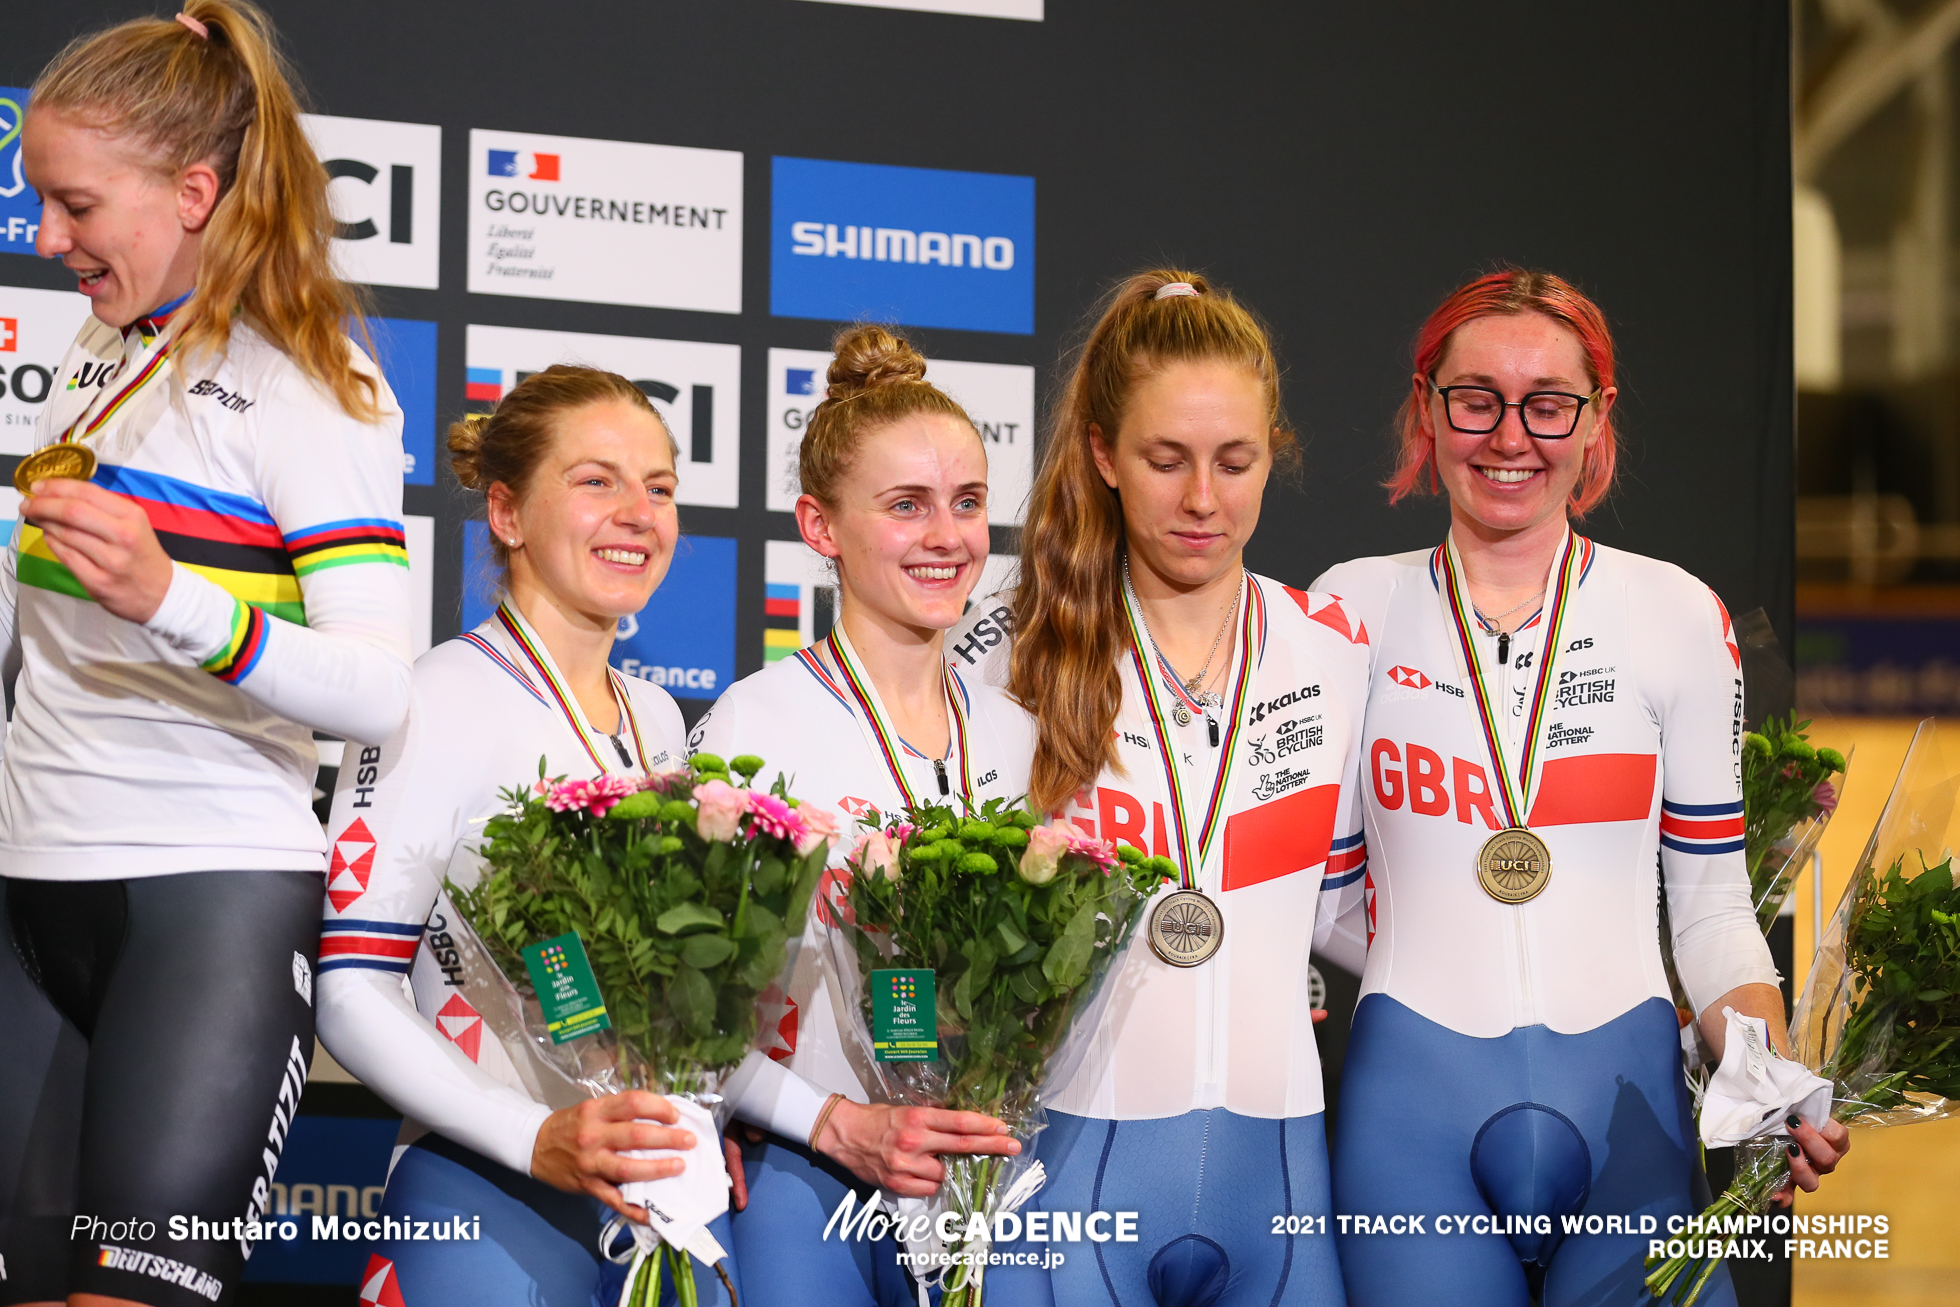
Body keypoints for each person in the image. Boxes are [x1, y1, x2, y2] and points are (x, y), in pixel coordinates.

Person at [1313, 269, 1852, 1307]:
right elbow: (1323, 897)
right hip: (1410, 1116)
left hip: (1625, 1119)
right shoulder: (1348, 607)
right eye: (1474, 397)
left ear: (1596, 417)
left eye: (1547, 403)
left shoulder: (1674, 612)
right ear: (1426, 405)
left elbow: (1710, 903)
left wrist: (1761, 1073)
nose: (1509, 435)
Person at [0, 4, 413, 1303]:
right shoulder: (96, 348)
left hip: (206, 905)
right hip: (28, 886)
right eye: (39, 204)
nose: (45, 237)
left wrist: (178, 596)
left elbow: (375, 688)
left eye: (73, 205)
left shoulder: (311, 383)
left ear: (192, 190)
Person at [963, 270, 1368, 1307]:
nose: (1202, 499)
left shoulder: (1333, 647)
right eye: (1164, 459)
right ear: (1101, 453)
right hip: (1069, 1179)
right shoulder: (1008, 653)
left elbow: (1356, 911)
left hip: (1276, 1187)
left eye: (1235, 461)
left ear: (1272, 450)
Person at [310, 366, 741, 1306]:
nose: (638, 512)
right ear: (506, 513)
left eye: (659, 488)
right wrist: (530, 1135)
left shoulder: (662, 720)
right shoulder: (431, 699)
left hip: (654, 1193)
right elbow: (350, 989)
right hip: (483, 1186)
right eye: (596, 481)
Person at [690, 325, 1029, 1307]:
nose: (948, 536)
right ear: (821, 524)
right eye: (907, 505)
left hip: (981, 1179)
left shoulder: (1017, 738)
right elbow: (688, 1009)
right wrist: (827, 1118)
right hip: (808, 1172)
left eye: (967, 503)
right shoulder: (756, 722)